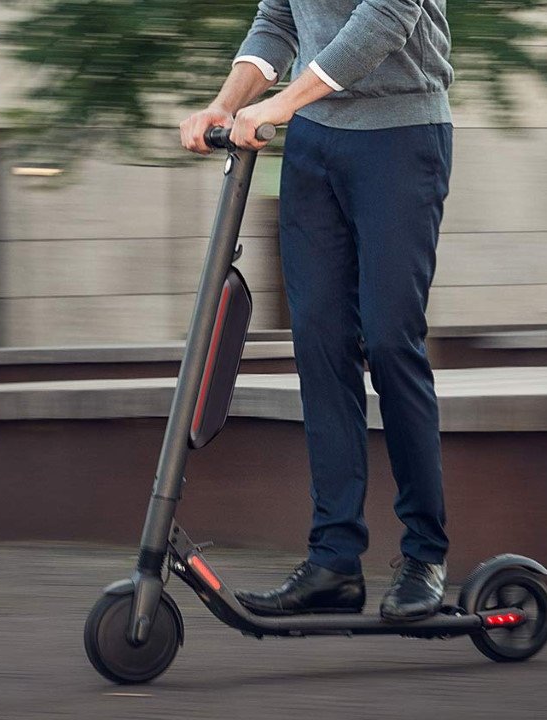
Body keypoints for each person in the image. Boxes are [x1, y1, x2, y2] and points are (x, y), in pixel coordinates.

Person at [179, 0, 454, 622]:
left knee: (389, 340)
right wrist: (228, 102)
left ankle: (425, 556)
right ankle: (334, 559)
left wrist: (284, 102)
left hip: (401, 136)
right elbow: (279, 19)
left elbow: (388, 15)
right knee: (321, 345)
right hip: (314, 145)